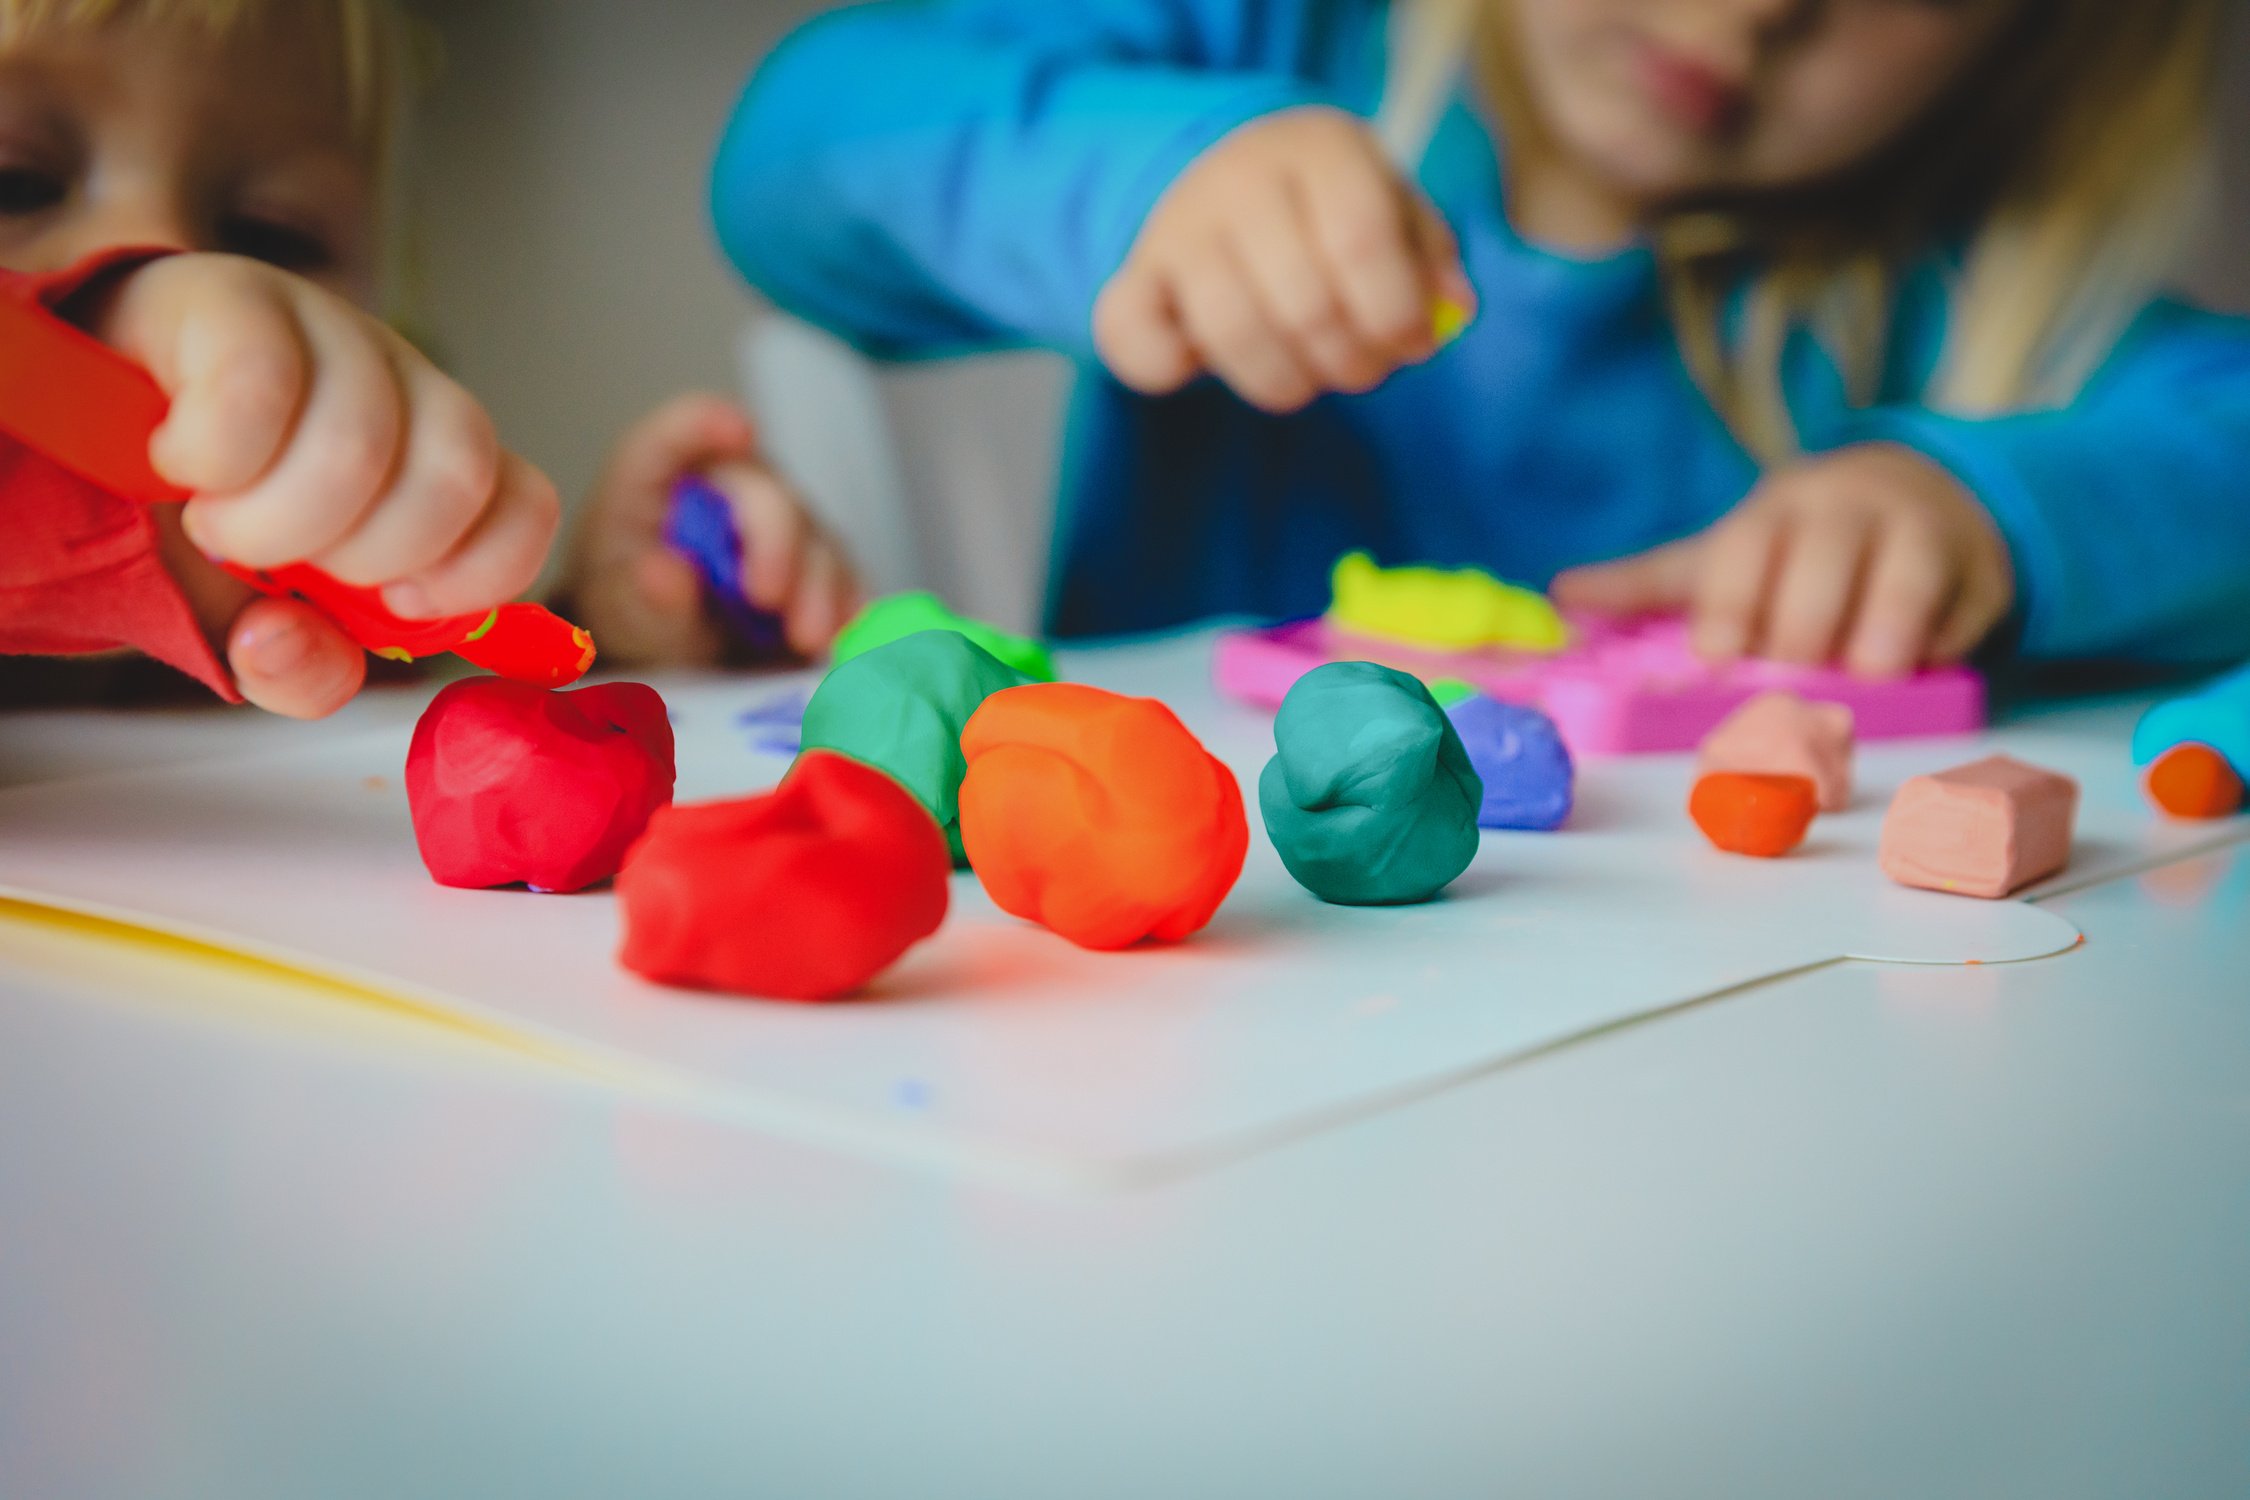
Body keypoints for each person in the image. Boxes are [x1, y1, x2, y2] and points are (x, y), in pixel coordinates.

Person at [706, 0, 2250, 675]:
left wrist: (1985, 510)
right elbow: (790, 158)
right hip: (1189, 976)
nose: (1758, 8)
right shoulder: (1272, 30)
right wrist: (1144, 178)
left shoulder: (1958, 296)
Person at [0, 0, 849, 716]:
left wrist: (616, 628)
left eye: (270, 235)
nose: (173, 256)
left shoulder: (323, 646)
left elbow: (453, 729)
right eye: (14, 182)